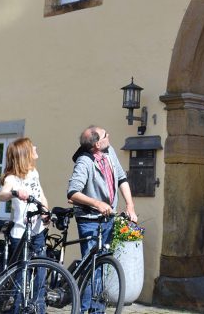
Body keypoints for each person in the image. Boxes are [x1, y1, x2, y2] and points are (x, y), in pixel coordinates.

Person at [67, 125, 137, 313]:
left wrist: (130, 205)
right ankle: (85, 309)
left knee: (102, 266)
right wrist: (97, 204)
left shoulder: (110, 152)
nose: (110, 135)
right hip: (90, 220)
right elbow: (73, 192)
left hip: (108, 219)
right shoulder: (84, 162)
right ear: (97, 143)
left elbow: (122, 178)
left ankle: (97, 310)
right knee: (93, 268)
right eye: (106, 134)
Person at [0, 137, 50, 312]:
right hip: (21, 234)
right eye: (31, 146)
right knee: (21, 277)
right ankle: (17, 309)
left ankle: (39, 309)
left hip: (38, 231)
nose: (35, 147)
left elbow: (41, 195)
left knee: (41, 275)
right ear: (24, 153)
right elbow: (2, 195)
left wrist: (46, 212)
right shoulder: (12, 178)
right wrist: (14, 192)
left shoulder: (34, 172)